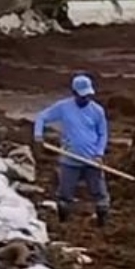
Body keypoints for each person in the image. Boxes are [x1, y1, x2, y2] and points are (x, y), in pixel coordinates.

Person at [32, 73, 110, 227]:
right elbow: (41, 117)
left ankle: (103, 223)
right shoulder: (63, 107)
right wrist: (38, 136)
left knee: (100, 195)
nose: (85, 98)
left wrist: (99, 154)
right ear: (74, 93)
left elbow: (103, 134)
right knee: (64, 196)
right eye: (82, 96)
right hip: (69, 160)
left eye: (88, 95)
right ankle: (63, 224)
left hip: (92, 160)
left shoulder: (97, 111)